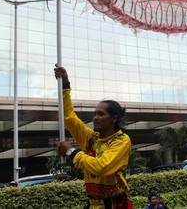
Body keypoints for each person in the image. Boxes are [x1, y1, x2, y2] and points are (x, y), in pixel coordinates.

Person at [54, 65, 133, 209]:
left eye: (101, 114)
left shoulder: (121, 140)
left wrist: (71, 152)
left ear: (114, 118)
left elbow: (102, 166)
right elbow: (69, 116)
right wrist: (65, 84)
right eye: (95, 114)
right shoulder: (91, 137)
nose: (95, 117)